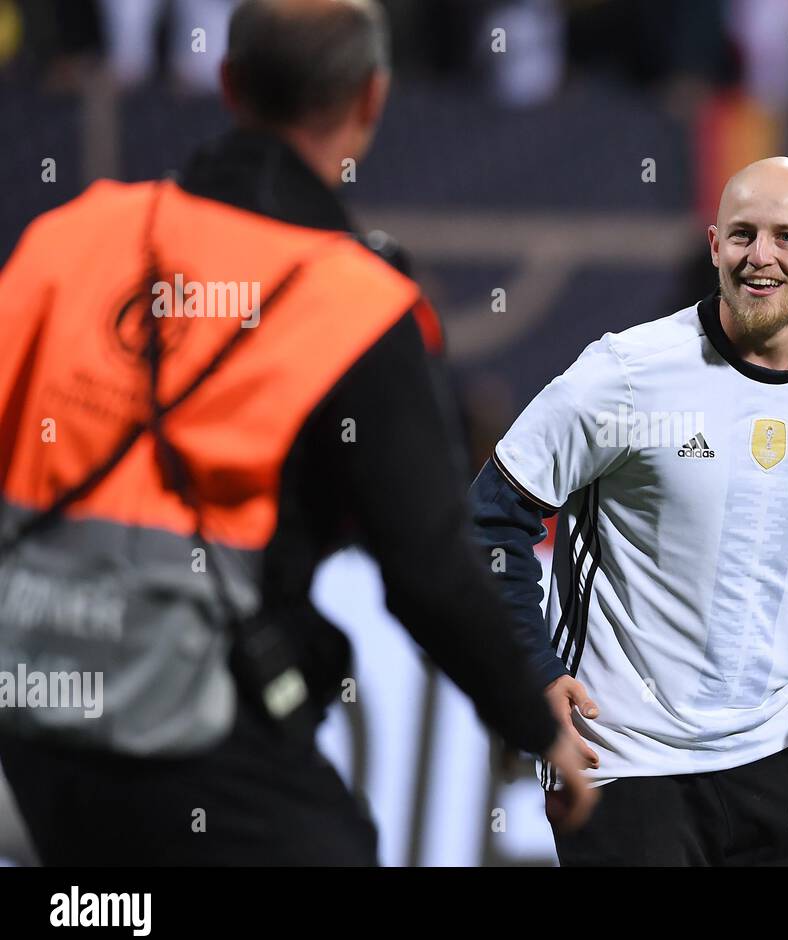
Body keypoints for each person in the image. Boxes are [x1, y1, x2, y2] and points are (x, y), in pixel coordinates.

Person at [0, 0, 592, 866]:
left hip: (26, 722)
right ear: (371, 101)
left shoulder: (69, 235)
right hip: (180, 734)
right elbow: (429, 570)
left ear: (229, 82)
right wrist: (532, 722)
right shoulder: (360, 305)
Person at [470, 156, 788, 866]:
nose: (759, 256)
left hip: (772, 750)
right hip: (624, 761)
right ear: (713, 245)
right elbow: (490, 520)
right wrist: (533, 673)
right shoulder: (627, 373)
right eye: (741, 234)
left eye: (785, 237)